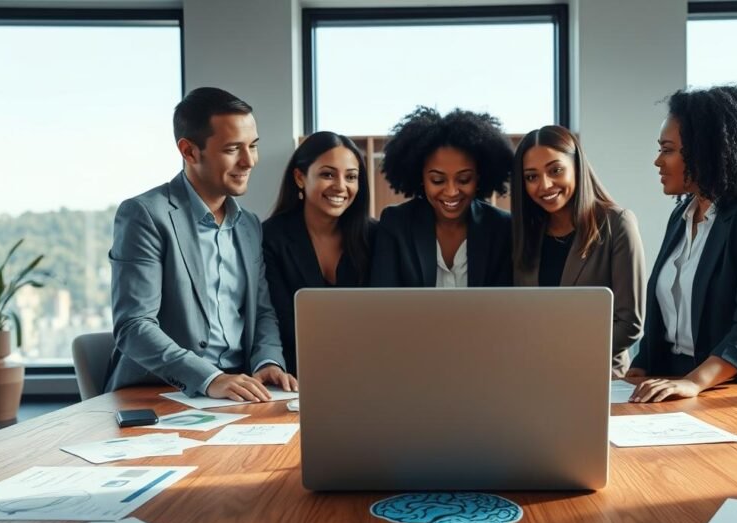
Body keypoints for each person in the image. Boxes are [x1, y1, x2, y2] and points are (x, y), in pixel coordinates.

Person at [105, 87, 297, 401]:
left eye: (253, 146)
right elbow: (134, 325)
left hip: (237, 392)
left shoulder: (248, 224)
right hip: (159, 392)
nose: (249, 161)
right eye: (233, 149)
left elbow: (262, 312)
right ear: (190, 151)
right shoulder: (145, 214)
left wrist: (267, 360)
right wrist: (210, 378)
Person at [627, 85, 737, 402]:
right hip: (677, 382)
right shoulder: (683, 213)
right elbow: (665, 320)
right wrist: (638, 371)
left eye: (667, 150)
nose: (657, 161)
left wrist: (694, 382)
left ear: (707, 150)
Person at [510, 125, 645, 377]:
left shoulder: (617, 223)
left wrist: (565, 360)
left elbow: (629, 323)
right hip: (532, 375)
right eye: (531, 177)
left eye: (555, 170)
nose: (545, 185)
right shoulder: (524, 232)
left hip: (596, 375)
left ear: (577, 167)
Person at [263, 131, 377, 374]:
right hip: (294, 375)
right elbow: (278, 319)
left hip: (367, 370)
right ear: (300, 177)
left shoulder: (376, 237)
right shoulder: (271, 237)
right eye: (327, 174)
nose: (340, 186)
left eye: (351, 177)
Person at [370, 106, 513, 287]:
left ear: (479, 177)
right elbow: (383, 303)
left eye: (464, 179)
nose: (451, 191)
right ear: (420, 177)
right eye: (438, 180)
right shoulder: (396, 225)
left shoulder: (501, 228)